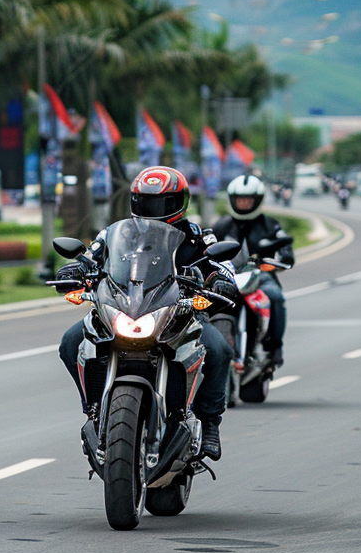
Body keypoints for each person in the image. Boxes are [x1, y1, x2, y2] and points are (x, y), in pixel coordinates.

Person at [54, 167, 236, 461]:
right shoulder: (115, 233)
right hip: (122, 308)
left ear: (180, 202)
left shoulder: (198, 237)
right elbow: (91, 257)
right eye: (147, 202)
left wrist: (220, 281)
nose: (154, 210)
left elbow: (221, 266)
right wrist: (74, 269)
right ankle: (94, 410)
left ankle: (211, 423)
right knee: (70, 342)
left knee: (218, 349)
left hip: (181, 313)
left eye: (163, 203)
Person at [211, 174, 294, 368]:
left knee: (275, 296)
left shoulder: (269, 224)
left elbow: (283, 242)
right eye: (240, 199)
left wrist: (285, 255)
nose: (244, 203)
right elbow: (207, 244)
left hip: (260, 276)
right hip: (229, 276)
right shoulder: (222, 225)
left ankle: (274, 348)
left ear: (257, 200)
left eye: (248, 200)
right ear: (232, 200)